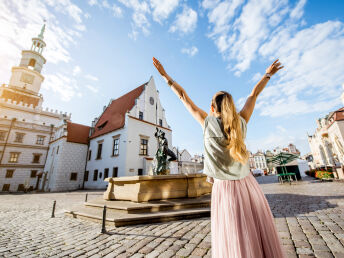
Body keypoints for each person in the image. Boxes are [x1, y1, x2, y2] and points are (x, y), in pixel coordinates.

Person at [153, 57, 285, 258]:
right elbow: (254, 94)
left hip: (225, 189)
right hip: (248, 186)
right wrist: (267, 74)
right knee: (255, 232)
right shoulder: (242, 121)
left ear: (212, 108)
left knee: (235, 235)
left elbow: (182, 96)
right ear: (231, 106)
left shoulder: (206, 123)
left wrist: (164, 75)